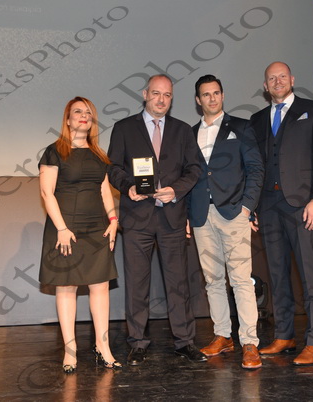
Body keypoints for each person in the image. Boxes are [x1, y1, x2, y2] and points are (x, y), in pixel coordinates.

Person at [107, 74, 206, 365]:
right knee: (137, 284)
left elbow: (194, 168)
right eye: (156, 93)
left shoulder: (183, 130)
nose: (161, 100)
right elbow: (112, 168)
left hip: (172, 217)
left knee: (179, 284)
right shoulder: (124, 128)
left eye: (167, 95)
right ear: (145, 94)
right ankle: (137, 342)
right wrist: (129, 186)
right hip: (137, 217)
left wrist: (176, 190)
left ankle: (185, 342)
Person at [250, 61, 313, 365]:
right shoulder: (257, 119)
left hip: (302, 205)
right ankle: (284, 335)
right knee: (277, 273)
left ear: (292, 79)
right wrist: (253, 206)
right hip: (268, 206)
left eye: (282, 76)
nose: (277, 81)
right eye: (271, 78)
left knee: (310, 274)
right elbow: (255, 166)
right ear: (265, 86)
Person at [38, 96, 121, 373]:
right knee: (67, 287)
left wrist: (113, 220)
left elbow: (104, 189)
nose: (83, 116)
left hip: (97, 227)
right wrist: (62, 229)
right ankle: (70, 351)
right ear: (68, 119)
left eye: (88, 112)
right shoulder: (54, 151)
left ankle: (103, 347)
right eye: (77, 111)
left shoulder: (99, 154)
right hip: (66, 228)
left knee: (100, 287)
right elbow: (47, 193)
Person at [187, 74, 265, 369]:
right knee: (213, 281)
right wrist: (187, 214)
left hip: (234, 214)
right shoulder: (189, 134)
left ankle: (249, 342)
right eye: (206, 94)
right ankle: (223, 336)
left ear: (222, 95)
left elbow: (255, 169)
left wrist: (247, 207)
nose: (212, 98)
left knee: (241, 280)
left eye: (216, 93)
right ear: (198, 100)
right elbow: (187, 176)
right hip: (201, 215)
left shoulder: (241, 127)